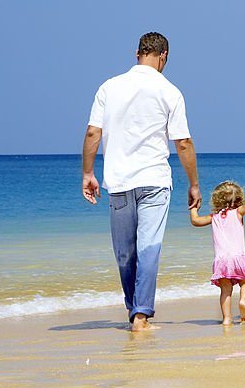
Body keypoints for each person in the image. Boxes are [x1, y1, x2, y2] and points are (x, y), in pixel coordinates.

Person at [81, 32, 202, 332]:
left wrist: (87, 174)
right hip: (154, 180)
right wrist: (194, 184)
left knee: (125, 252)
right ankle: (141, 316)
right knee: (149, 247)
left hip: (119, 180)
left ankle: (132, 307)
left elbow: (93, 133)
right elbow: (183, 142)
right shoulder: (170, 91)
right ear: (164, 57)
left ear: (137, 53)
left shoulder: (109, 87)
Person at [189, 180, 245, 325]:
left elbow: (195, 221)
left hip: (221, 261)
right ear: (239, 199)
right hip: (238, 258)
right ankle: (243, 301)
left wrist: (193, 206)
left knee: (225, 290)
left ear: (216, 200)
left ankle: (227, 319)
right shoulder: (238, 213)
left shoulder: (213, 218)